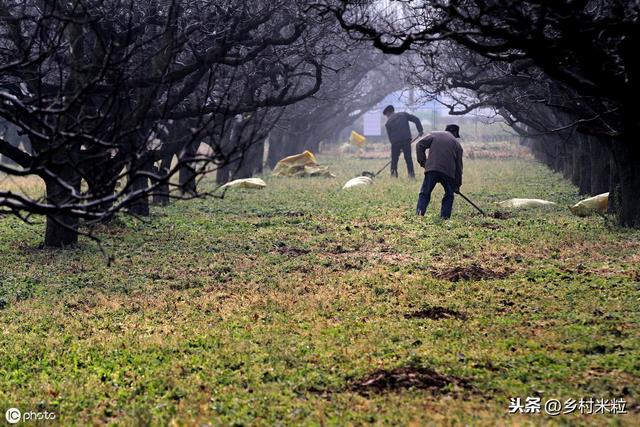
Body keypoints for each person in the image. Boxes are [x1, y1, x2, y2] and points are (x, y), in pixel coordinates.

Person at [415, 124, 464, 219]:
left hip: (432, 168)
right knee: (449, 195)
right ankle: (445, 217)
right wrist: (457, 185)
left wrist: (424, 163)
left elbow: (419, 145)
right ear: (455, 133)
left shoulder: (435, 135)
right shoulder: (457, 145)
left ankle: (419, 214)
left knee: (425, 192)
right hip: (448, 172)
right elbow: (459, 168)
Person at [383, 105, 423, 178]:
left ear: (388, 112)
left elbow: (390, 137)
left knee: (394, 159)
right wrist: (420, 130)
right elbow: (416, 119)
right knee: (408, 158)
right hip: (406, 140)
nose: (387, 117)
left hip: (395, 142)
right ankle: (411, 175)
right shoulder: (403, 115)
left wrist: (396, 147)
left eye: (387, 115)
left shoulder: (388, 123)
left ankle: (393, 176)